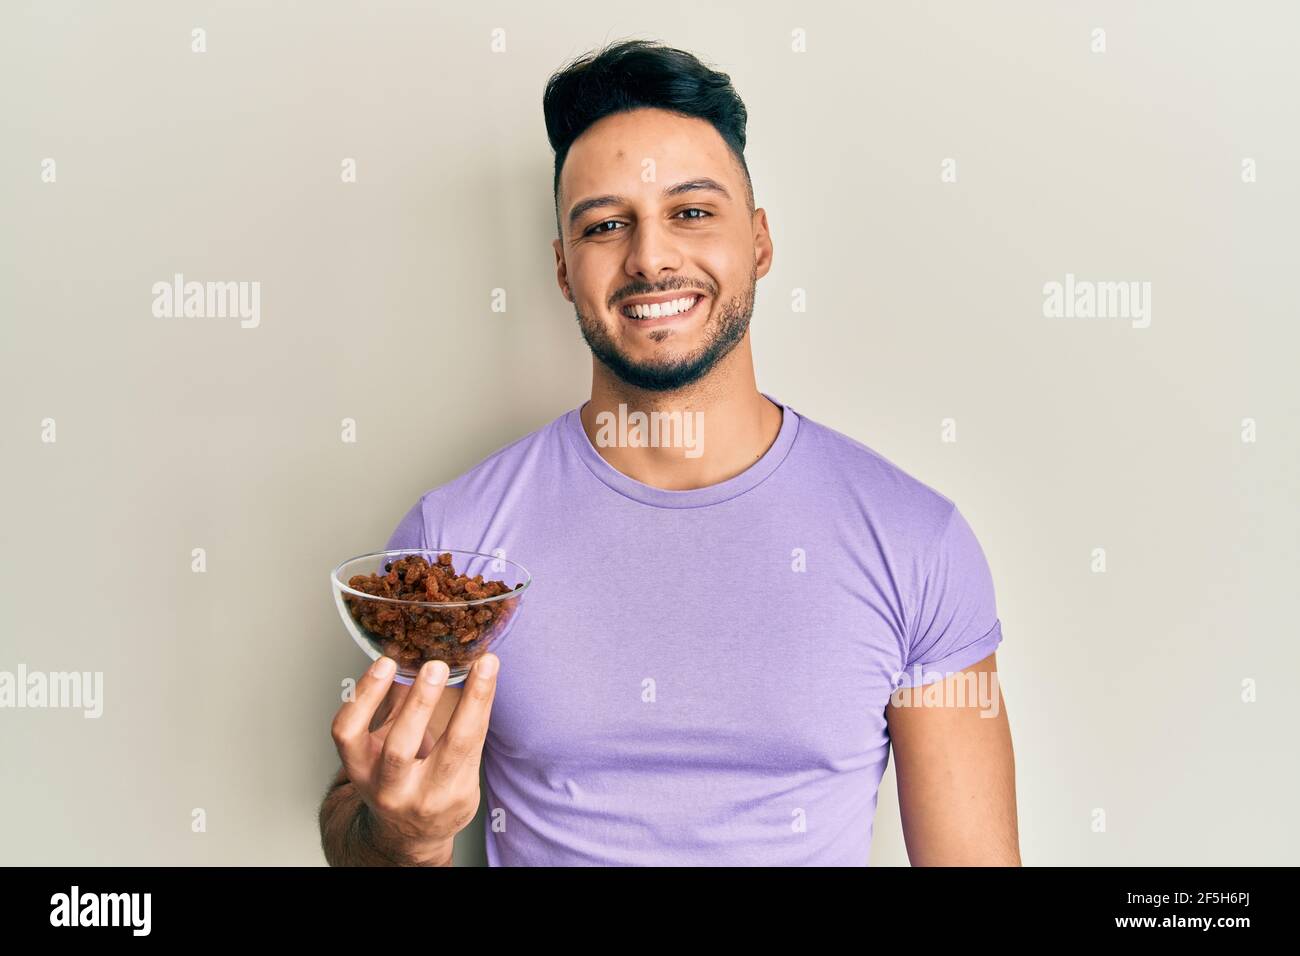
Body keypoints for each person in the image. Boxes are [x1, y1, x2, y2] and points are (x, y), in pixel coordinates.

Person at [320, 38, 1020, 867]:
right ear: (562, 269)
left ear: (759, 243)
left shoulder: (913, 540)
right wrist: (404, 836)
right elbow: (360, 833)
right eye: (606, 225)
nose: (650, 257)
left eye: (691, 212)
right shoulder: (457, 544)